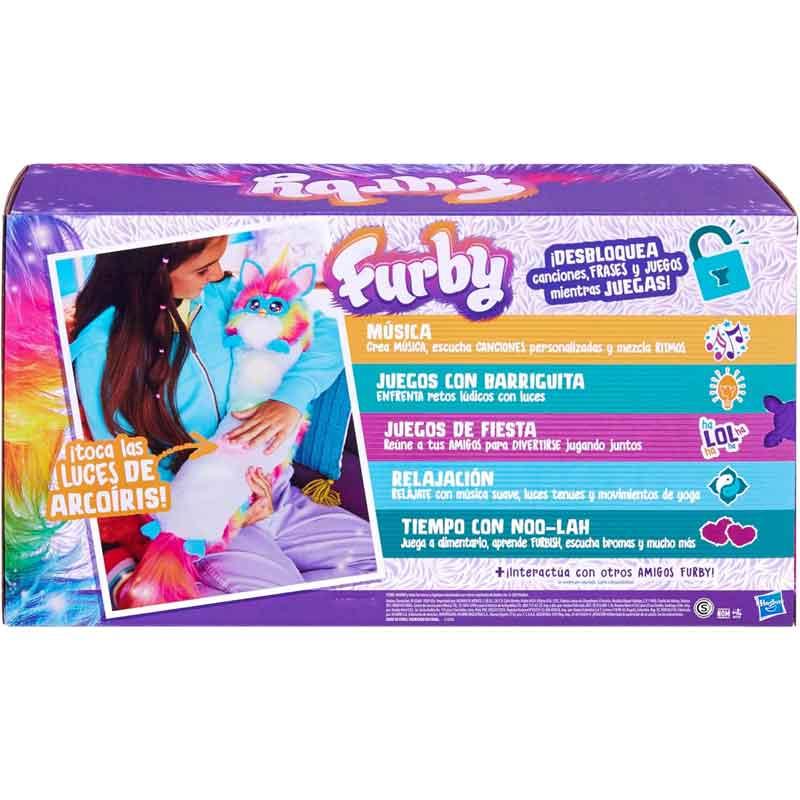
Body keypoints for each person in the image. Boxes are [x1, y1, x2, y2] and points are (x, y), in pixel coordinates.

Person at [70, 235, 376, 600]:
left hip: (274, 492)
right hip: (202, 520)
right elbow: (128, 469)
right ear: (152, 271)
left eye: (218, 260)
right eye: (203, 268)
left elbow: (326, 331)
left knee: (385, 566)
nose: (218, 273)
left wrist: (290, 398)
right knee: (280, 602)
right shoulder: (99, 350)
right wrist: (226, 512)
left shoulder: (222, 294)